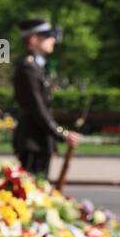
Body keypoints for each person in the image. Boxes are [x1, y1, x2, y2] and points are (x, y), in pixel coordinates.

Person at [11, 18, 78, 179]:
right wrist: (61, 134)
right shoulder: (29, 68)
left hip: (38, 141)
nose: (53, 40)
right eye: (48, 36)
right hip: (33, 141)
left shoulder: (36, 67)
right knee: (34, 192)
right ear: (34, 39)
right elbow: (38, 109)